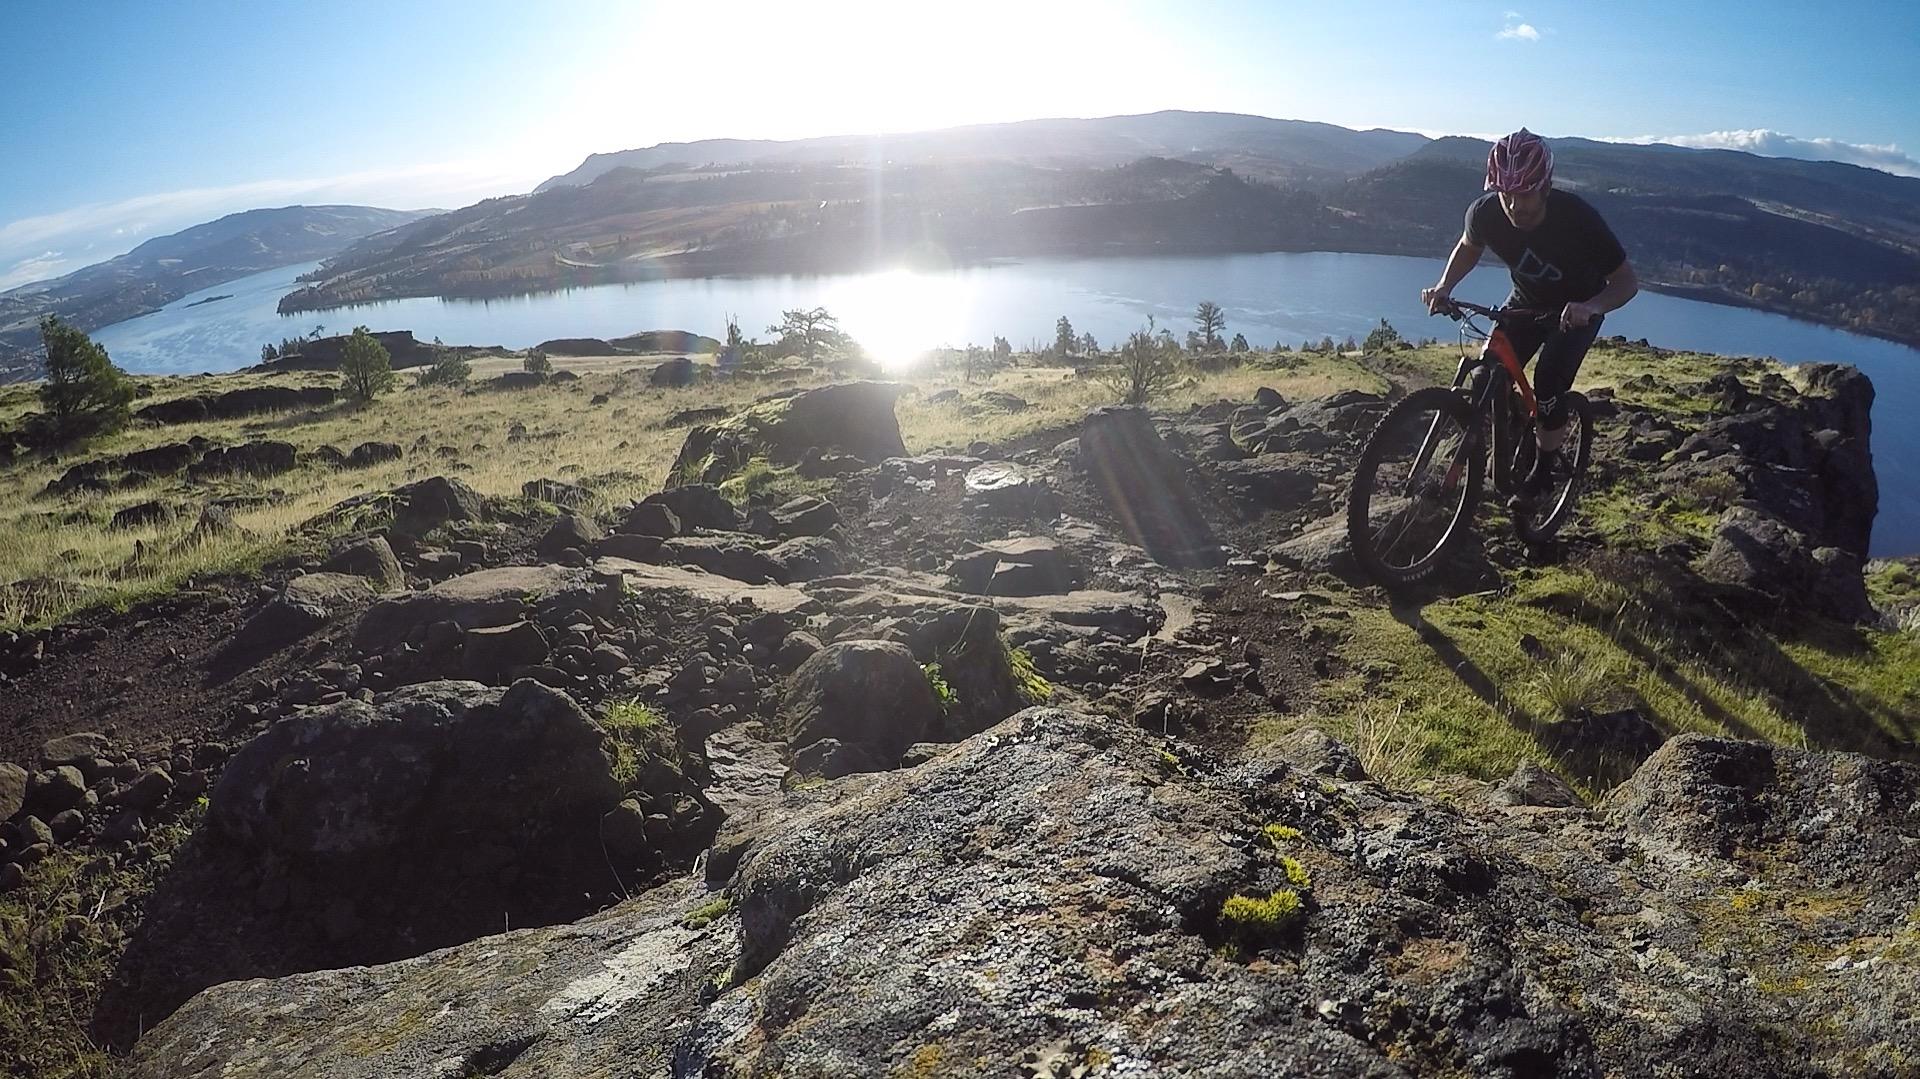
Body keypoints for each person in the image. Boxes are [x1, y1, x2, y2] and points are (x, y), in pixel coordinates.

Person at [1420, 128, 1638, 503]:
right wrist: (1444, 287)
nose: (1515, 205)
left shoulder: (1579, 219)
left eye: (1525, 195)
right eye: (1506, 194)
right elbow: (1469, 247)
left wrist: (1591, 307)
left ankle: (1542, 473)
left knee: (1550, 382)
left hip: (1576, 310)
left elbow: (1626, 283)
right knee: (1487, 373)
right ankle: (1519, 426)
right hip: (1526, 300)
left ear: (1545, 186)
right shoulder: (1485, 213)